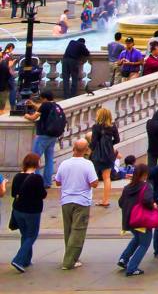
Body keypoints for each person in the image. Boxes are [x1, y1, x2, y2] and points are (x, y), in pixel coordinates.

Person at [56, 138, 100, 270]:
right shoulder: (88, 164)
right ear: (86, 150)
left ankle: (71, 255)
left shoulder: (64, 164)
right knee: (78, 231)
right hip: (82, 201)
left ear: (73, 149)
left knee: (68, 230)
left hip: (66, 200)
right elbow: (94, 183)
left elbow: (58, 182)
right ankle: (69, 261)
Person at [116, 163, 158, 276]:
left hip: (129, 220)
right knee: (145, 243)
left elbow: (120, 202)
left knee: (137, 239)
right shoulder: (146, 186)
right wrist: (153, 205)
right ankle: (132, 267)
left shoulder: (127, 187)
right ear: (145, 174)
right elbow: (147, 200)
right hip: (141, 220)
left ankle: (123, 259)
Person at [8, 152, 46, 273]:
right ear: (36, 164)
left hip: (18, 210)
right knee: (31, 235)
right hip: (32, 211)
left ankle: (26, 260)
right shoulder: (37, 178)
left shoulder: (18, 176)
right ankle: (18, 259)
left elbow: (14, 194)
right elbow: (42, 194)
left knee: (25, 234)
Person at [25, 89, 64, 185]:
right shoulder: (56, 105)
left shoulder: (45, 105)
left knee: (35, 158)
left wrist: (26, 116)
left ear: (45, 99)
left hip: (43, 135)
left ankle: (36, 181)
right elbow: (41, 108)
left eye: (41, 99)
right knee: (49, 159)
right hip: (53, 135)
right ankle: (47, 182)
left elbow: (33, 117)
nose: (41, 101)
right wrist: (34, 105)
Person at [88, 105, 119, 207]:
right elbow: (117, 140)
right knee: (107, 177)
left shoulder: (96, 127)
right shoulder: (113, 126)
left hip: (98, 155)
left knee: (90, 176)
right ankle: (105, 200)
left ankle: (87, 198)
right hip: (109, 154)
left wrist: (89, 152)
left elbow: (93, 142)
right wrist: (109, 145)